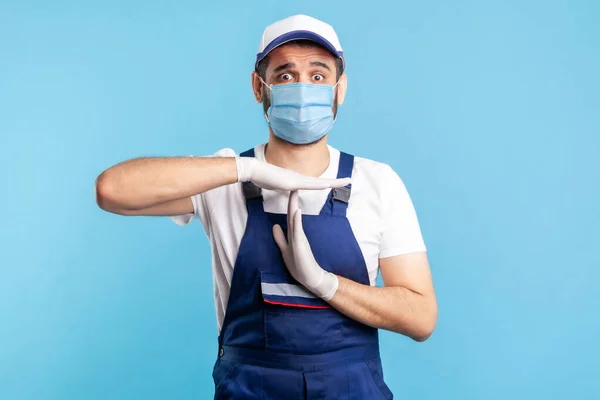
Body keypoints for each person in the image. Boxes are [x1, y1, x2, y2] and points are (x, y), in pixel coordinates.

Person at [95, 14, 437, 400]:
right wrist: (245, 169)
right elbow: (111, 190)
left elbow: (420, 317)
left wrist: (325, 284)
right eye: (286, 76)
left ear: (340, 89)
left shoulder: (376, 182)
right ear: (260, 88)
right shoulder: (223, 182)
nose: (304, 88)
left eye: (319, 75)